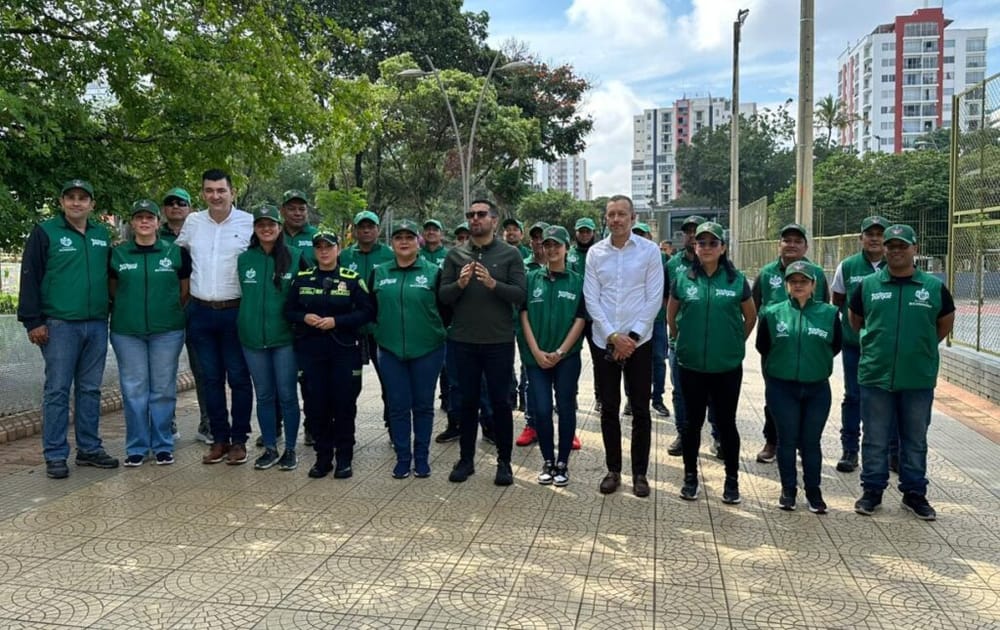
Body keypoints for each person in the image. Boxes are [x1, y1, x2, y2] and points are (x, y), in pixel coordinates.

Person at [850, 224, 955, 521]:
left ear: (914, 249)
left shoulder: (933, 288)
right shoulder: (868, 285)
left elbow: (944, 323)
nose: (896, 251)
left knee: (915, 439)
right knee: (875, 438)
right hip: (876, 375)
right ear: (885, 249)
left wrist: (918, 348)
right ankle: (872, 491)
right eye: (891, 245)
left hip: (917, 377)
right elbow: (856, 321)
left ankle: (914, 493)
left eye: (902, 246)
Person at [18, 179, 118, 478]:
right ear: (61, 202)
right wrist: (33, 321)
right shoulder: (45, 232)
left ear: (92, 204)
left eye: (82, 198)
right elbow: (30, 275)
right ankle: (55, 454)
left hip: (96, 324)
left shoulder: (101, 235)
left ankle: (89, 449)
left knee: (90, 389)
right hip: (59, 325)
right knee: (57, 390)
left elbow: (110, 277)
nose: (76, 202)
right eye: (70, 197)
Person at [668, 221, 756, 504]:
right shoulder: (683, 279)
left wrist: (733, 343)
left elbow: (750, 318)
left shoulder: (736, 280)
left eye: (712, 243)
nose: (706, 247)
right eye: (701, 242)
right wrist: (684, 342)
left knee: (726, 424)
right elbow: (672, 316)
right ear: (695, 247)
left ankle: (732, 480)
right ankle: (690, 477)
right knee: (692, 423)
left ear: (723, 248)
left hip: (726, 367)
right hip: (691, 365)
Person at [439, 199, 526, 486]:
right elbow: (443, 296)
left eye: (481, 214)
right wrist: (460, 284)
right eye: (471, 214)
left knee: (500, 402)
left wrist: (493, 284)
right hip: (463, 340)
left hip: (498, 341)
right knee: (467, 402)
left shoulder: (510, 254)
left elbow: (520, 295)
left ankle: (504, 462)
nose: (475, 219)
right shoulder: (455, 255)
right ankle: (466, 460)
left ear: (494, 220)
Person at [583, 195, 664, 498]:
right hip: (604, 341)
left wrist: (632, 336)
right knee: (609, 408)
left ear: (633, 218)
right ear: (605, 219)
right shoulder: (595, 253)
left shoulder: (649, 251)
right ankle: (613, 470)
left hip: (639, 342)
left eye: (622, 214)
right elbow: (592, 298)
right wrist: (612, 336)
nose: (616, 220)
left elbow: (654, 297)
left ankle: (640, 473)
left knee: (640, 409)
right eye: (611, 215)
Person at [176, 169, 254, 465]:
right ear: (203, 193)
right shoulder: (193, 223)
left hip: (235, 311)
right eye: (209, 190)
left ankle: (239, 440)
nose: (215, 196)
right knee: (210, 379)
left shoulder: (248, 223)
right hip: (201, 313)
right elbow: (179, 261)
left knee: (239, 378)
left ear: (232, 192)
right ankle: (219, 438)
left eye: (221, 190)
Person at [285, 227, 374, 478]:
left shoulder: (351, 278)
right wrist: (304, 317)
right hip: (311, 350)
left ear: (338, 249)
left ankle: (344, 458)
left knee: (344, 405)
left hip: (343, 349)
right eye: (319, 247)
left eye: (329, 246)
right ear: (314, 251)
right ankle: (322, 458)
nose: (324, 252)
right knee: (316, 405)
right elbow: (288, 311)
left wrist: (337, 321)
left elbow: (367, 312)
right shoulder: (302, 278)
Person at [756, 261, 841, 513]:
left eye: (804, 281)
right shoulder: (772, 313)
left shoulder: (829, 314)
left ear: (814, 285)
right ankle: (788, 490)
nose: (798, 285)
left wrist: (813, 364)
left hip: (816, 389)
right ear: (786, 285)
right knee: (787, 439)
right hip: (782, 388)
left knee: (811, 441)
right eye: (793, 281)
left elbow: (834, 346)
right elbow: (763, 346)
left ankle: (814, 492)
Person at [110, 200, 189, 467]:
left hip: (167, 331)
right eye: (139, 218)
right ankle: (137, 447)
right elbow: (113, 289)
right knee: (134, 390)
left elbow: (184, 290)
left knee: (163, 389)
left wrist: (167, 310)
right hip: (127, 332)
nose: (144, 222)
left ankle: (163, 445)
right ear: (132, 223)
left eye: (149, 217)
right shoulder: (118, 254)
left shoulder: (175, 252)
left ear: (158, 222)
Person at [370, 219, 448, 478]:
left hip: (428, 350)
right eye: (398, 237)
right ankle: (403, 457)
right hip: (390, 350)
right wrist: (378, 332)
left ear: (418, 242)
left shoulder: (433, 272)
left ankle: (422, 458)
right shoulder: (380, 272)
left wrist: (439, 334)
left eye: (409, 237)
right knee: (398, 405)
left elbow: (446, 310)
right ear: (391, 243)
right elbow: (370, 308)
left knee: (423, 405)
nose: (404, 242)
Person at [750, 222, 829, 465]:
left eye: (797, 241)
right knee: (775, 397)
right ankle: (772, 441)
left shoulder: (817, 274)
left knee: (807, 399)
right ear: (779, 245)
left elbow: (824, 309)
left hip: (809, 348)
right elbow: (753, 306)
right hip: (775, 349)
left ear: (806, 246)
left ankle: (804, 445)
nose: (791, 245)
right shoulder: (766, 273)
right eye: (787, 240)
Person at [517, 225, 586, 486]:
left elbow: (581, 318)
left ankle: (563, 462)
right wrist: (536, 351)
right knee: (542, 409)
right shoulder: (531, 278)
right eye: (547, 245)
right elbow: (523, 315)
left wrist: (560, 351)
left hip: (566, 358)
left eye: (557, 244)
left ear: (567, 248)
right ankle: (547, 460)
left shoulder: (578, 281)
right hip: (536, 358)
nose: (552, 249)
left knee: (566, 407)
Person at [238, 205, 304, 471]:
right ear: (255, 229)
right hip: (252, 339)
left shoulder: (296, 256)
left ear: (279, 227)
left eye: (271, 224)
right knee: (264, 395)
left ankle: (290, 449)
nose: (266, 229)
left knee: (287, 395)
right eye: (261, 224)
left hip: (284, 339)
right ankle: (270, 448)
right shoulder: (245, 259)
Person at [831, 215, 888, 473]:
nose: (875, 238)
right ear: (861, 238)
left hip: (887, 348)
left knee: (887, 397)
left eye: (879, 234)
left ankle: (891, 452)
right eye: (870, 234)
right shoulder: (848, 266)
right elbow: (838, 301)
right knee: (853, 396)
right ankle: (850, 450)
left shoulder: (896, 264)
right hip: (854, 345)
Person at [665, 215, 719, 458]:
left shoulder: (722, 267)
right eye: (689, 231)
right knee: (680, 391)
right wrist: (677, 331)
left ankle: (718, 436)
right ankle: (683, 434)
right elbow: (667, 302)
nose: (692, 235)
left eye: (696, 231)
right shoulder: (672, 265)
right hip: (680, 343)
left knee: (714, 393)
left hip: (712, 344)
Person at [159, 186, 208, 443]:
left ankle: (208, 423)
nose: (176, 207)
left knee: (204, 369)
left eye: (181, 203)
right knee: (165, 371)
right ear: (164, 209)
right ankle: (166, 424)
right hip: (166, 312)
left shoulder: (201, 233)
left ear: (191, 208)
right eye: (171, 203)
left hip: (198, 310)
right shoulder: (154, 235)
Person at [339, 209, 395, 435]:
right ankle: (344, 432)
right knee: (348, 385)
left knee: (389, 382)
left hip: (380, 329)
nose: (366, 230)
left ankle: (393, 426)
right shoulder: (344, 256)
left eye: (370, 226)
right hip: (350, 330)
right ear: (354, 230)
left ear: (377, 230)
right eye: (361, 227)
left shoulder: (389, 254)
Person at [629, 222, 671, 420]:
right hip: (634, 320)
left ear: (649, 237)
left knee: (658, 360)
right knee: (630, 359)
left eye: (642, 234)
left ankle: (657, 398)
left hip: (658, 319)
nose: (639, 237)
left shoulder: (661, 257)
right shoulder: (627, 257)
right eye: (635, 234)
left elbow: (667, 288)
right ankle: (631, 399)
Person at [513, 221, 548, 445]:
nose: (539, 242)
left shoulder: (564, 267)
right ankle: (531, 424)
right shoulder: (523, 267)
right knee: (529, 380)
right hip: (528, 333)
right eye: (535, 238)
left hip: (557, 334)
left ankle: (566, 426)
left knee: (563, 384)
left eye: (543, 238)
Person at [568, 217, 603, 411]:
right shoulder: (569, 254)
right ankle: (570, 395)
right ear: (576, 232)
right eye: (581, 231)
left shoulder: (599, 253)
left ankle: (600, 398)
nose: (584, 235)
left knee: (599, 358)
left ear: (593, 233)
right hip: (574, 315)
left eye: (587, 231)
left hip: (595, 315)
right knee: (571, 356)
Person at [280, 190, 317, 267]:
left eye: (302, 209)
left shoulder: (316, 236)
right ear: (282, 211)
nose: (297, 213)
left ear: (307, 211)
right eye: (291, 209)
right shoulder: (275, 236)